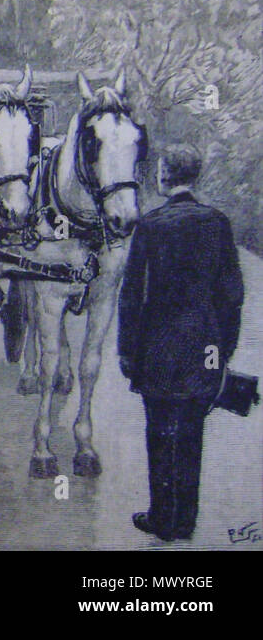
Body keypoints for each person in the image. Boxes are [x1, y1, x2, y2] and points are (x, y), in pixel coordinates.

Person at [118, 144, 243, 542]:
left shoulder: (151, 225)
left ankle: (161, 517)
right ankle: (185, 520)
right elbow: (232, 295)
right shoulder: (217, 223)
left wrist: (126, 351)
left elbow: (131, 295)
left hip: (156, 347)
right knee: (191, 432)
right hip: (203, 346)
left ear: (164, 176)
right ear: (196, 176)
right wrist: (222, 350)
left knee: (158, 431)